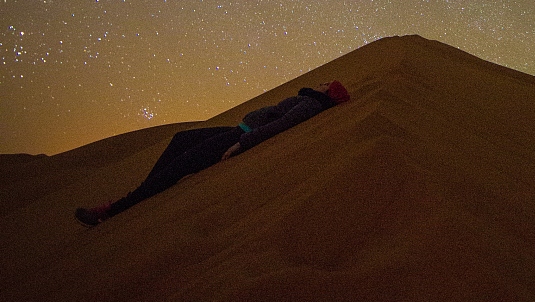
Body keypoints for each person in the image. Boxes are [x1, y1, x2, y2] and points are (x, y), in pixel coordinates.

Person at [74, 80, 350, 227]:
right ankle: (144, 188)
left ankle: (114, 209)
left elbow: (281, 124)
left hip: (237, 137)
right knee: (181, 139)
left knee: (179, 167)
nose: (321, 82)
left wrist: (242, 143)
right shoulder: (309, 99)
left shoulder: (311, 105)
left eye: (326, 84)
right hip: (236, 129)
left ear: (329, 92)